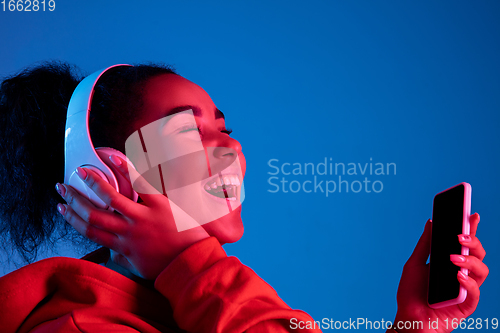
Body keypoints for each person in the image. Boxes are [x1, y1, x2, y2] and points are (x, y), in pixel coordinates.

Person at [0, 62, 489, 333]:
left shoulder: (184, 308)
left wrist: (417, 327)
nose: (231, 146)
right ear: (105, 176)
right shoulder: (81, 327)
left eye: (225, 128)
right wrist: (186, 257)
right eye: (190, 130)